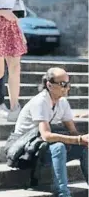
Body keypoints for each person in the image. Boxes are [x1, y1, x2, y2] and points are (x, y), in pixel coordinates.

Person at [11, 67, 88, 197]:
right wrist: (79, 139)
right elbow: (46, 135)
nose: (67, 87)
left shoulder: (62, 102)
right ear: (49, 85)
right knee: (58, 147)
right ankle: (63, 194)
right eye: (63, 84)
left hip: (42, 146)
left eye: (68, 84)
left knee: (84, 148)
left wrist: (84, 139)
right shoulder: (40, 102)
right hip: (26, 151)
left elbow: (73, 132)